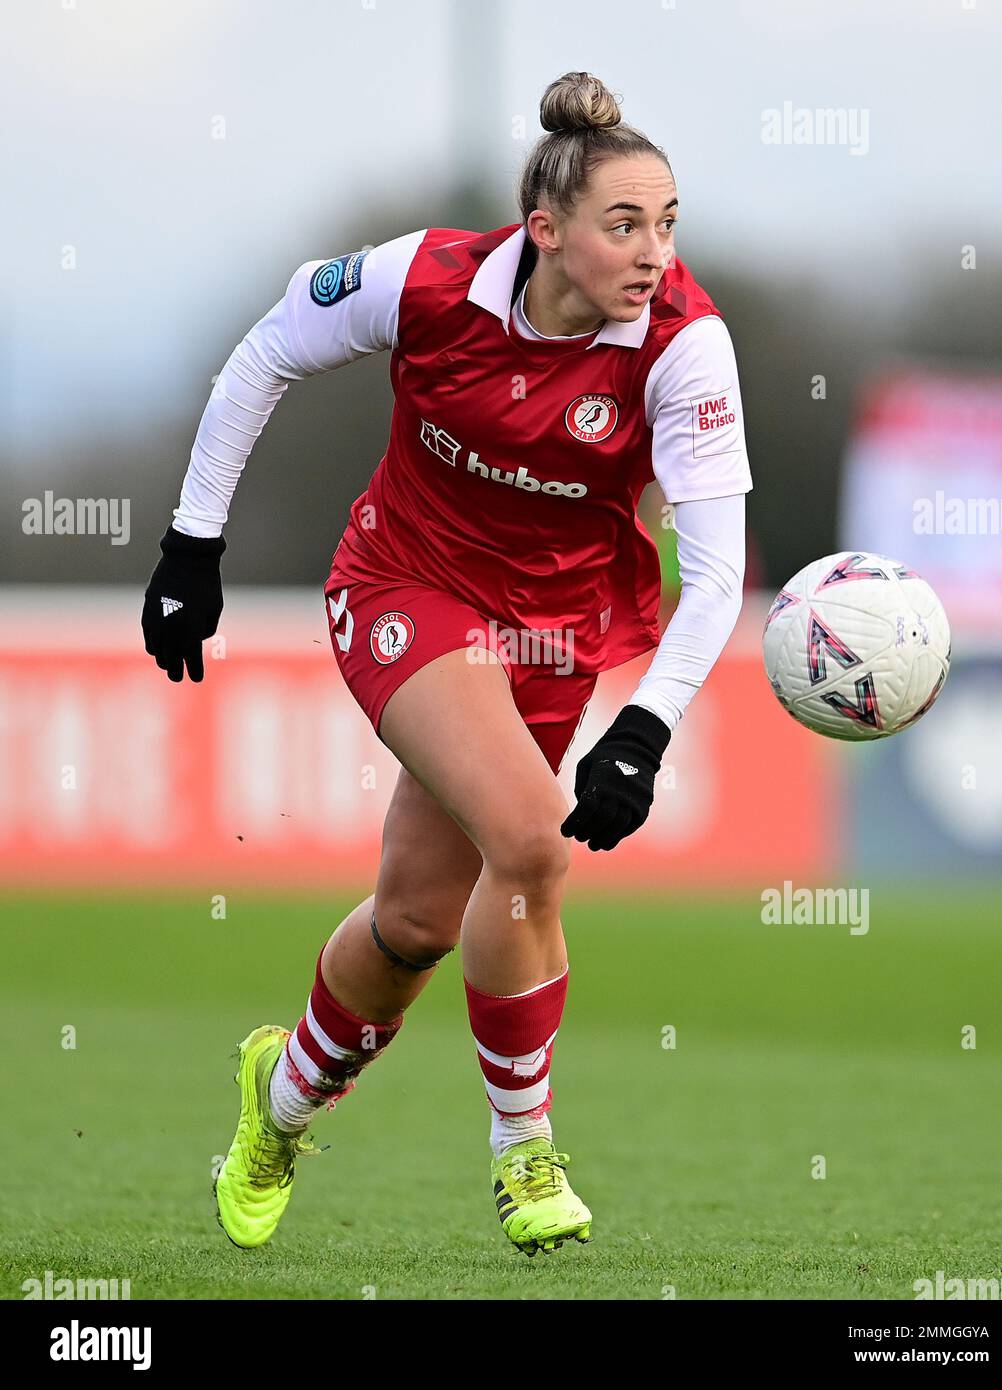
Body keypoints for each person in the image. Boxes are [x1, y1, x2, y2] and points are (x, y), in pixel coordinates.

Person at [141, 70, 752, 1258]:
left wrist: (646, 728)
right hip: (401, 589)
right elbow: (265, 354)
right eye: (623, 224)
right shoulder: (422, 279)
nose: (652, 252)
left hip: (551, 640)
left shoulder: (685, 345)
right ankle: (523, 1154)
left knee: (417, 921)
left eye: (668, 222)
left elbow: (719, 574)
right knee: (530, 838)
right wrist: (190, 543)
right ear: (544, 230)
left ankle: (277, 1103)